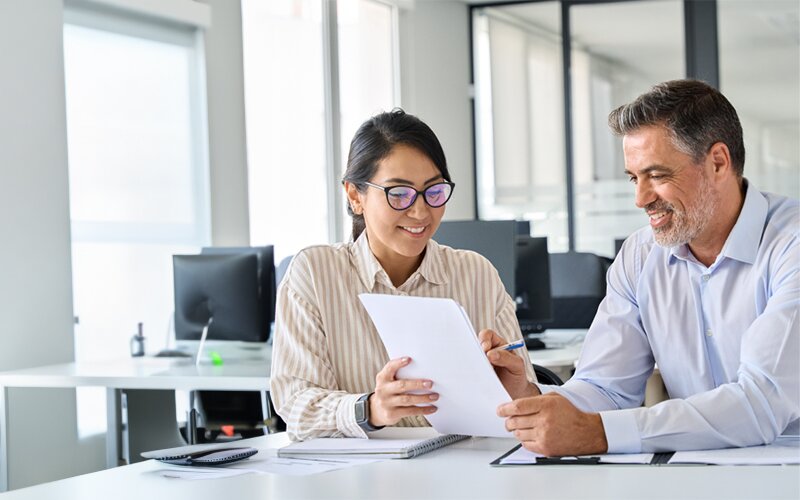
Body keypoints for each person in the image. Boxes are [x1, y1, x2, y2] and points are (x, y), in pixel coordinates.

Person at [481, 79, 799, 456]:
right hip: (696, 465)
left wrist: (599, 433)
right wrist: (529, 399)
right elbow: (606, 388)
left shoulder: (789, 245)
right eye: (635, 178)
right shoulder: (640, 255)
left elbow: (760, 404)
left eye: (658, 176)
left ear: (717, 162)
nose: (640, 198)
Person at [271, 109, 536, 440]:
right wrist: (370, 409)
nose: (421, 211)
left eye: (434, 191)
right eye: (399, 193)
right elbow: (296, 405)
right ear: (355, 196)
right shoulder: (315, 273)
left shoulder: (476, 273)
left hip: (465, 472)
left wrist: (519, 389)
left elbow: (527, 407)